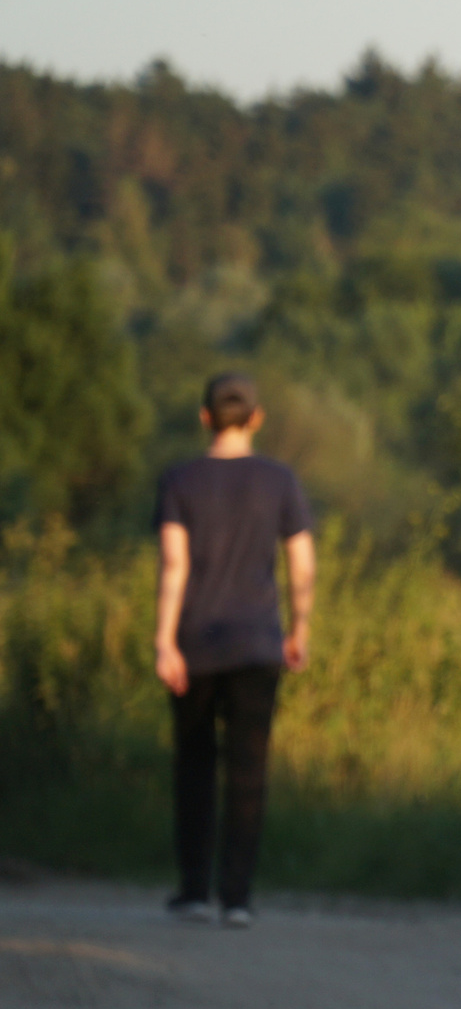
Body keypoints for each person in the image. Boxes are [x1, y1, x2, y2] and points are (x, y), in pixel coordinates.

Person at [152, 372, 315, 929]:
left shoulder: (180, 480)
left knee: (194, 766)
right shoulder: (280, 480)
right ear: (257, 418)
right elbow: (301, 563)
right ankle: (238, 899)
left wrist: (164, 640)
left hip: (195, 643)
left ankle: (194, 891)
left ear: (203, 418)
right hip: (257, 643)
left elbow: (175, 565)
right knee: (249, 770)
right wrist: (300, 629)